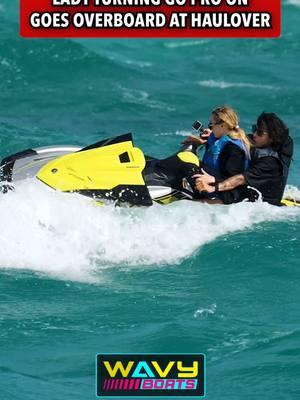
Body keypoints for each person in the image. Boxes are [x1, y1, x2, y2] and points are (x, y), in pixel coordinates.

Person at [194, 112, 294, 206]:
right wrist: (215, 134)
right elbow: (236, 137)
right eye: (255, 129)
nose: (254, 134)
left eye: (259, 132)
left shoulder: (270, 163)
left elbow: (241, 179)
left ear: (272, 138)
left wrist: (213, 187)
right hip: (252, 183)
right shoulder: (259, 141)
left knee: (237, 192)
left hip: (264, 201)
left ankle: (198, 204)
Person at [183, 106, 252, 202]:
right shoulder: (220, 137)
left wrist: (213, 179)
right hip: (209, 184)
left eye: (211, 124)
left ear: (223, 125)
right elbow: (215, 147)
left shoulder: (233, 149)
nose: (210, 127)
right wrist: (197, 141)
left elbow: (234, 179)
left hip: (228, 195)